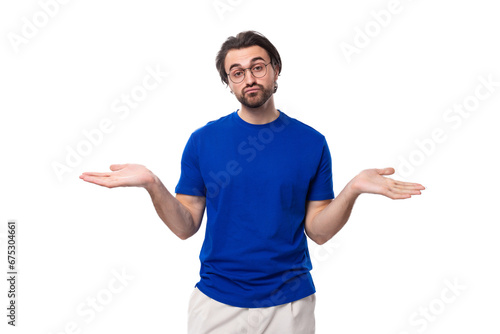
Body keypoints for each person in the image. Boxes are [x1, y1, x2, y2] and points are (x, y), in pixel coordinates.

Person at [80, 30, 425, 334]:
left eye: (258, 67)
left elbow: (318, 231)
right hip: (217, 303)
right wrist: (153, 184)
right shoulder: (203, 141)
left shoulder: (311, 142)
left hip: (290, 305)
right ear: (228, 83)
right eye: (237, 72)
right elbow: (186, 226)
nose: (250, 78)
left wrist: (352, 190)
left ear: (276, 69)